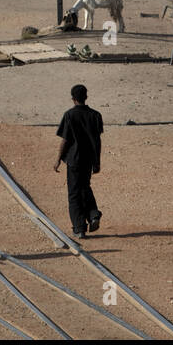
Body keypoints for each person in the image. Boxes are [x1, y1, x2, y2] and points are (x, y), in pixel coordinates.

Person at [53, 83, 104, 239]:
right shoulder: (96, 115)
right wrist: (97, 162)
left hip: (74, 160)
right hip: (88, 160)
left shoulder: (69, 115)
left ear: (73, 99)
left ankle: (79, 228)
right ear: (86, 97)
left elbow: (65, 140)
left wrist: (58, 160)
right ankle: (93, 214)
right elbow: (97, 141)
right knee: (85, 187)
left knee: (74, 193)